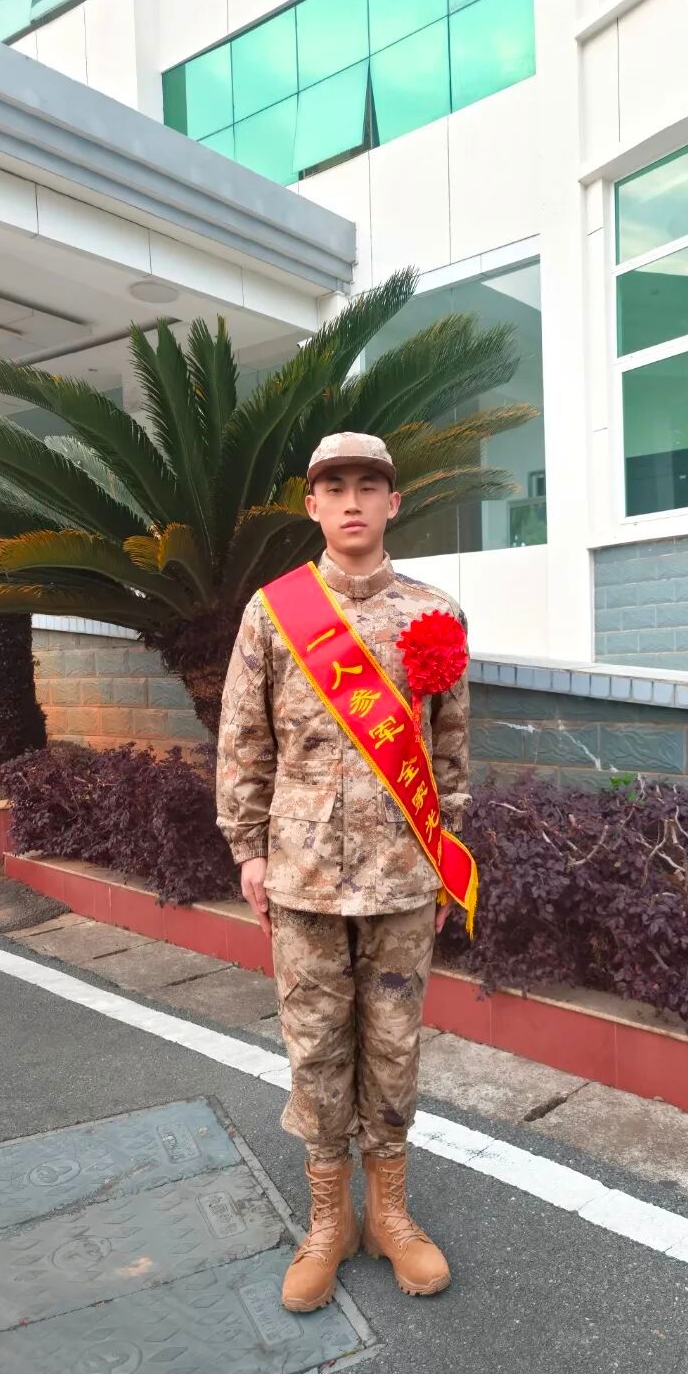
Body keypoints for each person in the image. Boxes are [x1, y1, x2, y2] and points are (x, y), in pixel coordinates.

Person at [216, 430, 475, 1314]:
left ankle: (390, 1215)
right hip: (302, 879)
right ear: (313, 504)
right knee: (317, 1050)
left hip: (403, 873)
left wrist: (445, 858)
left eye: (370, 485)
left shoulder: (435, 614)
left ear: (394, 502)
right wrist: (248, 849)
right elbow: (243, 739)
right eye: (336, 486)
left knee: (395, 1048)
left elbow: (450, 748)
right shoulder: (273, 612)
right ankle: (329, 1221)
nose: (353, 500)